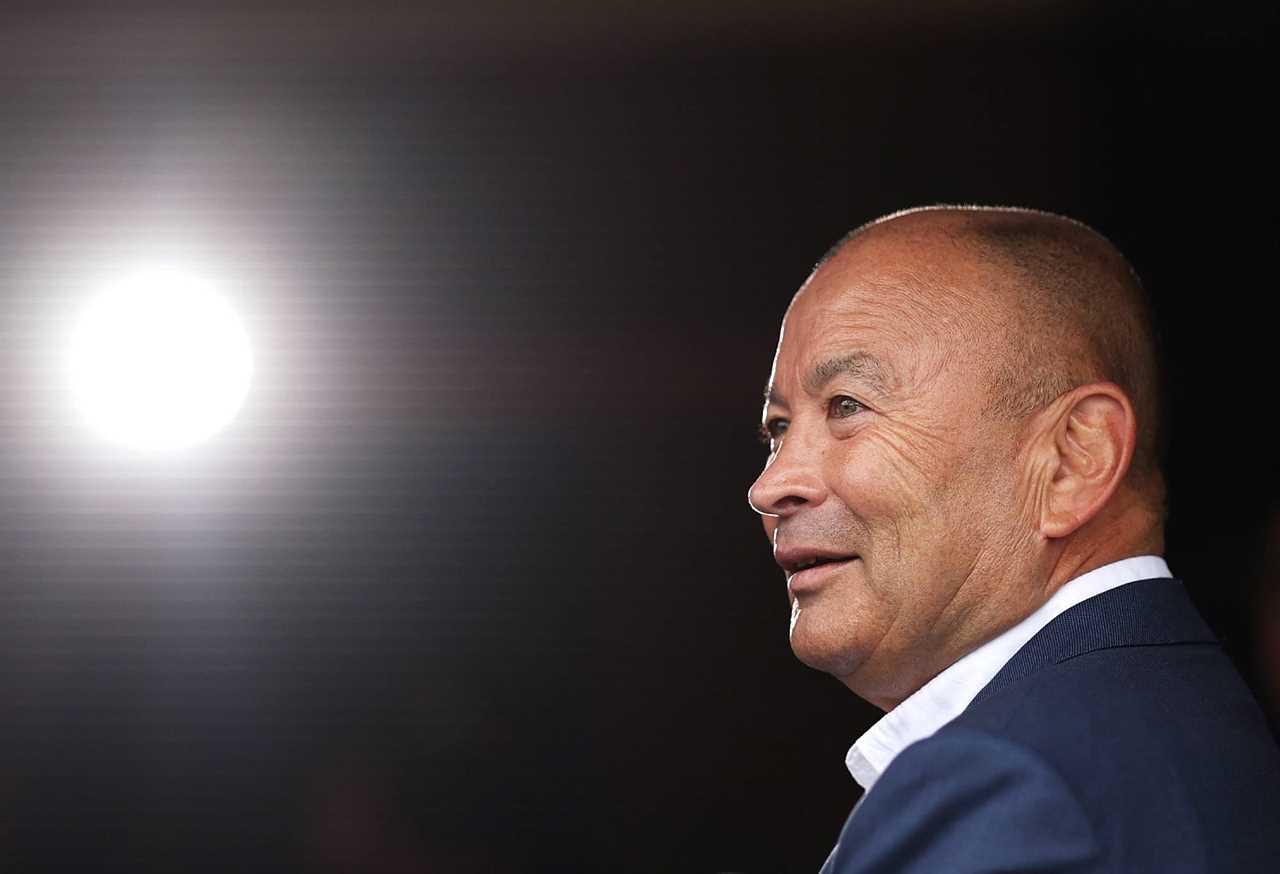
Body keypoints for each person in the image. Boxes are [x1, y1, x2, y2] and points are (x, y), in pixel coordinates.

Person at [747, 205, 1280, 873]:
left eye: (847, 406)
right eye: (776, 430)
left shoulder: (1017, 788)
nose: (770, 486)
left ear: (1071, 460)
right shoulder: (1195, 722)